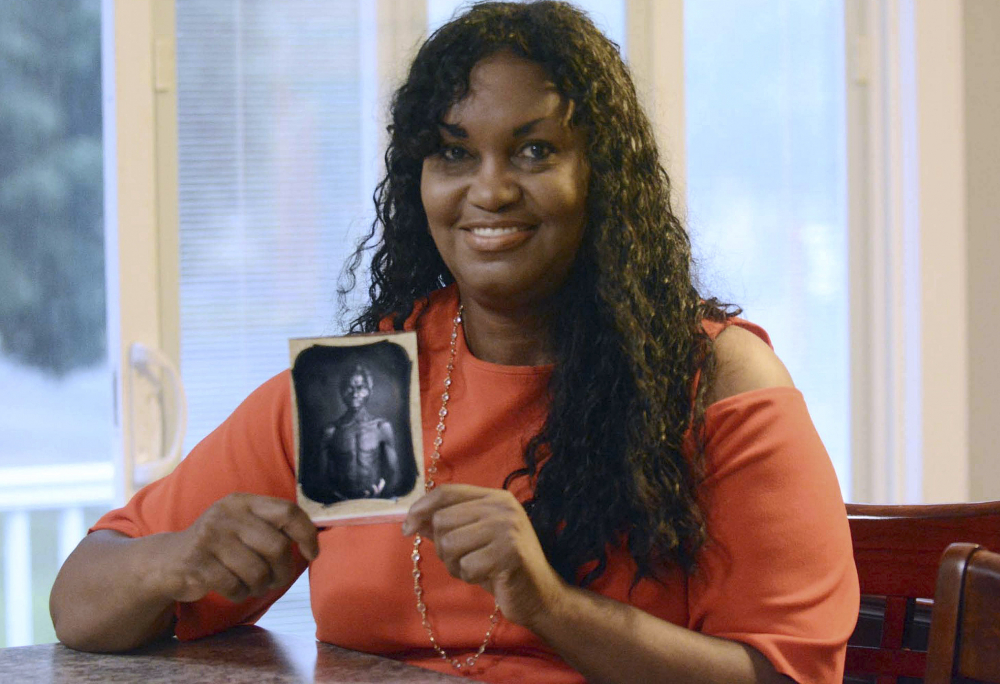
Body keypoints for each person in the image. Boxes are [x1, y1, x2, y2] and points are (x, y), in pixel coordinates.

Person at [49, 2, 859, 683]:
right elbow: (79, 598)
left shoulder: (715, 380)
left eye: (535, 150)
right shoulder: (363, 384)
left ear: (601, 177)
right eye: (453, 153)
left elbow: (784, 673)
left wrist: (547, 603)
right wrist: (178, 559)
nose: (490, 188)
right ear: (419, 183)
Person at [318, 363, 400, 500]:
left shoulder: (381, 427)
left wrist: (381, 493)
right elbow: (320, 476)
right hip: (340, 502)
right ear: (341, 391)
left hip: (377, 500)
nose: (355, 394)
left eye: (360, 388)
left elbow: (394, 472)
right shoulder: (331, 431)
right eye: (349, 388)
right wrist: (336, 496)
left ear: (369, 391)